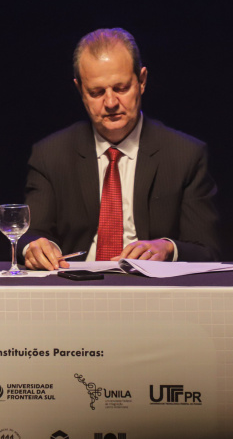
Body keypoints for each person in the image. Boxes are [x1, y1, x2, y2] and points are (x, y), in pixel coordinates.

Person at [20, 28, 220, 270]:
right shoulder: (50, 155)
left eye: (121, 88)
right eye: (96, 92)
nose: (111, 102)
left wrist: (167, 248)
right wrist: (35, 247)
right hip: (76, 290)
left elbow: (207, 249)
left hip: (154, 296)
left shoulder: (185, 154)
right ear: (80, 91)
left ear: (142, 81)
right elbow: (32, 233)